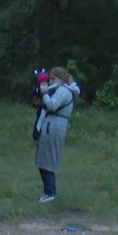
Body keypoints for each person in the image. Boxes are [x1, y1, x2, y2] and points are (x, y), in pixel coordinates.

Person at [34, 67, 80, 202]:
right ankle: (49, 192)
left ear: (61, 79)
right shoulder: (62, 90)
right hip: (53, 125)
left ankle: (50, 193)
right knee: (45, 159)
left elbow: (52, 105)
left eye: (53, 79)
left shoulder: (63, 91)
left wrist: (44, 94)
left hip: (53, 126)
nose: (50, 82)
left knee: (47, 160)